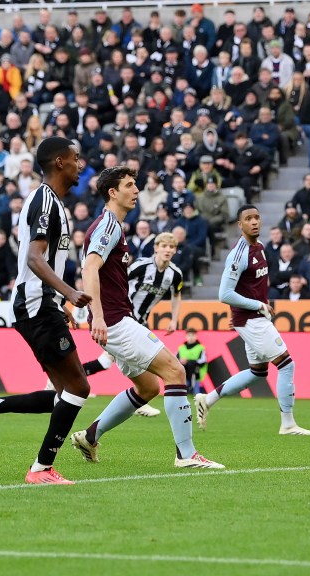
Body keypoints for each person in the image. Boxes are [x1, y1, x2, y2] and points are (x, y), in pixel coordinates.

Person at [69, 167, 223, 469]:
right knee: (176, 372)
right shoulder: (108, 225)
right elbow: (89, 268)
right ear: (113, 193)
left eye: (136, 184)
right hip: (115, 321)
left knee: (149, 388)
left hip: (117, 320)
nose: (136, 190)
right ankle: (187, 455)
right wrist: (97, 316)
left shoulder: (112, 225)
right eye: (129, 185)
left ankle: (90, 436)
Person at [0, 137, 93, 485]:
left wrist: (59, 301)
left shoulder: (52, 202)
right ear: (58, 162)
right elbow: (35, 258)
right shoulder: (45, 201)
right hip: (36, 303)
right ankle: (41, 469)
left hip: (41, 303)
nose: (79, 164)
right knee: (78, 387)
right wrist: (68, 293)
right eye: (75, 158)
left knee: (63, 394)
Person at [194, 205, 310, 435]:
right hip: (252, 319)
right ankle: (288, 424)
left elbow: (252, 287)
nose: (254, 222)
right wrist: (256, 307)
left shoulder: (259, 248)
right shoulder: (238, 254)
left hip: (253, 318)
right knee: (287, 364)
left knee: (256, 372)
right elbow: (224, 294)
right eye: (248, 219)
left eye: (257, 218)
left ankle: (207, 400)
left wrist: (248, 310)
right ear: (240, 225)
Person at [71, 231, 186, 418]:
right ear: (156, 248)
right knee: (111, 361)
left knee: (109, 362)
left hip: (141, 323)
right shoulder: (141, 266)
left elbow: (177, 294)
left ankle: (140, 397)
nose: (168, 250)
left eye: (171, 247)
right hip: (123, 321)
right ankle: (140, 397)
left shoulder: (175, 274)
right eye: (164, 246)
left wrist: (174, 319)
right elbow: (119, 282)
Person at [178, 328, 207, 394]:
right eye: (189, 335)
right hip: (184, 372)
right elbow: (175, 360)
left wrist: (188, 361)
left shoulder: (200, 348)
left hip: (196, 372)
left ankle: (196, 393)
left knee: (194, 372)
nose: (191, 337)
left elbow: (202, 361)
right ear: (186, 336)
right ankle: (183, 392)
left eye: (193, 335)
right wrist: (181, 361)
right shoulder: (181, 348)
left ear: (196, 336)